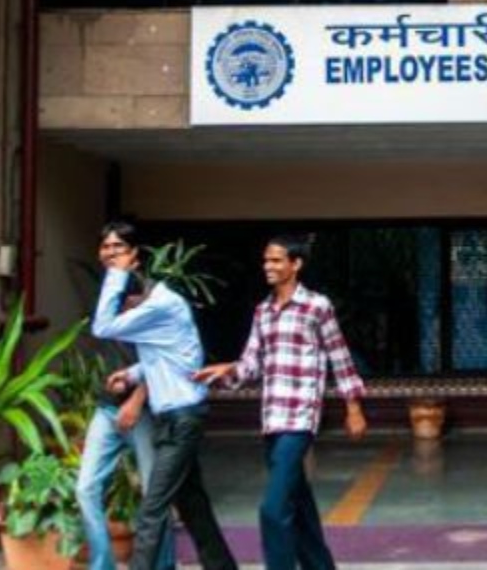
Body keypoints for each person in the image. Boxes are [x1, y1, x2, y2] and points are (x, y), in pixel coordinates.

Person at [195, 234, 367, 570]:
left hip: (300, 420)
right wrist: (228, 370)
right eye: (265, 260)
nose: (268, 266)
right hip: (272, 419)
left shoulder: (316, 306)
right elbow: (252, 363)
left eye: (275, 260)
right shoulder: (263, 311)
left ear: (296, 264)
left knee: (273, 510)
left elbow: (340, 356)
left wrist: (354, 407)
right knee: (299, 508)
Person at [91, 221, 237, 570]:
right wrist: (132, 374)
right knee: (194, 506)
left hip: (181, 420)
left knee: (152, 509)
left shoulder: (161, 305)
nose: (127, 311)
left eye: (127, 303)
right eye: (106, 248)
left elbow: (102, 326)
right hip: (177, 417)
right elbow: (170, 358)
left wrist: (115, 275)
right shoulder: (159, 306)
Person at [76, 222, 175, 570]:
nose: (110, 253)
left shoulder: (149, 296)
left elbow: (164, 355)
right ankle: (102, 564)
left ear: (135, 255)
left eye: (118, 247)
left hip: (144, 410)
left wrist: (137, 399)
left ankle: (162, 566)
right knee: (86, 488)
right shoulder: (106, 292)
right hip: (106, 409)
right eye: (106, 247)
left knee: (153, 494)